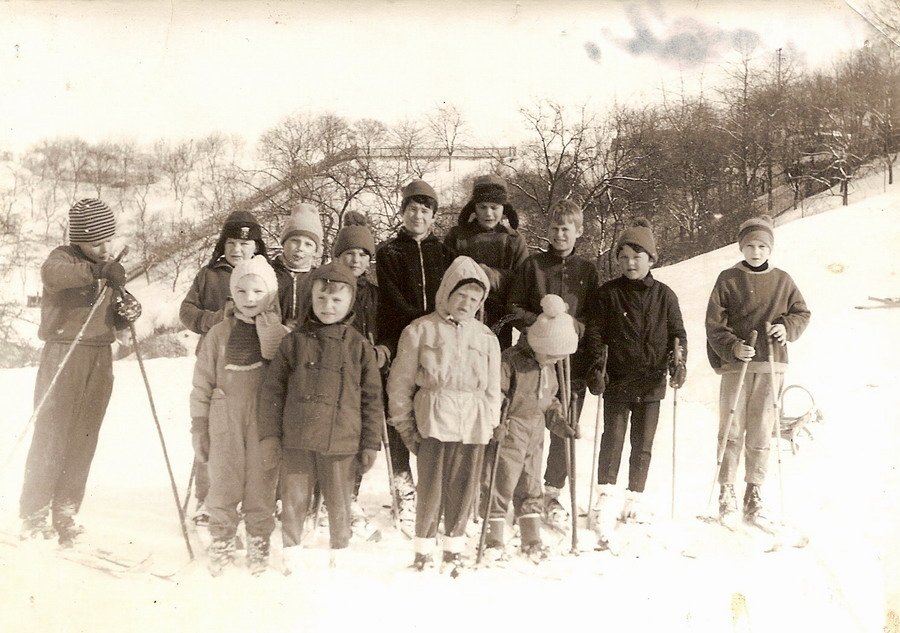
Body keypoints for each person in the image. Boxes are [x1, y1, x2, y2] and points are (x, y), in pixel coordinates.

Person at [19, 198, 141, 546]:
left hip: (100, 356)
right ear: (78, 241)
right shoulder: (64, 259)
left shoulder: (108, 266)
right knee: (52, 435)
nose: (104, 249)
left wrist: (126, 310)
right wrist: (100, 271)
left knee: (85, 436)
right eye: (95, 243)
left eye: (108, 241)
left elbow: (111, 312)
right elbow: (53, 276)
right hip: (63, 354)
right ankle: (34, 513)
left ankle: (66, 510)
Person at [258, 261, 383, 572]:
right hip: (297, 438)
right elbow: (272, 393)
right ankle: (292, 551)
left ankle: (338, 552)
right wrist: (270, 436)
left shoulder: (359, 347)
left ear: (350, 302)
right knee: (294, 497)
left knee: (339, 500)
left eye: (337, 300)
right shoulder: (293, 342)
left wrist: (370, 444)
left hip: (341, 440)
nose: (328, 306)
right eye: (321, 299)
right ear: (311, 300)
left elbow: (371, 400)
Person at [387, 256, 502, 575]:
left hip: (473, 424)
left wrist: (491, 421)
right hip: (433, 421)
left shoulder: (486, 338)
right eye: (461, 295)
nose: (467, 303)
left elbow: (493, 388)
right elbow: (399, 384)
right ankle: (422, 551)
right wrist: (405, 427)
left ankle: (453, 550)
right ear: (447, 292)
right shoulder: (420, 331)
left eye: (474, 298)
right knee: (431, 489)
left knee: (464, 487)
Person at [584, 219, 687, 549]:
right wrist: (597, 367)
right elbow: (596, 335)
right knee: (612, 438)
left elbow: (677, 335)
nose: (630, 263)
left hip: (652, 379)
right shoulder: (607, 294)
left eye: (638, 256)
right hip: (618, 379)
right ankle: (604, 498)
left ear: (652, 260)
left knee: (643, 443)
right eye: (625, 256)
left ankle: (634, 499)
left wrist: (678, 361)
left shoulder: (665, 295)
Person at [705, 214, 810, 528]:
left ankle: (754, 492)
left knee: (762, 428)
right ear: (741, 246)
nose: (756, 251)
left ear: (770, 248)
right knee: (732, 428)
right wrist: (734, 347)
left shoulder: (783, 280)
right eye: (750, 245)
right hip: (737, 367)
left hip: (771, 363)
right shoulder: (728, 278)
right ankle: (727, 491)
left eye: (762, 245)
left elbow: (801, 313)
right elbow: (714, 325)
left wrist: (785, 327)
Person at [189, 255, 288, 575]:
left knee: (262, 484)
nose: (249, 299)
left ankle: (259, 541)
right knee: (224, 483)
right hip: (224, 420)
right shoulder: (218, 334)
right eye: (242, 292)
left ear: (270, 294)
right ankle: (222, 540)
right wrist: (199, 425)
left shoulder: (280, 336)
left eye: (257, 292)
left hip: (264, 420)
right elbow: (201, 382)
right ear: (233, 292)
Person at [506, 199, 599, 529]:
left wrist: (575, 326)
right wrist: (541, 324)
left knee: (564, 424)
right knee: (528, 423)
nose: (560, 234)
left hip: (571, 359)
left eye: (567, 229)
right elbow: (514, 307)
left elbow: (592, 314)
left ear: (579, 232)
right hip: (535, 358)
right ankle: (522, 491)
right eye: (555, 228)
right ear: (547, 231)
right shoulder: (533, 266)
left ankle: (552, 491)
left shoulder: (586, 270)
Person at [180, 210, 267, 526]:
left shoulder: (264, 276)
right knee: (211, 434)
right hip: (214, 359)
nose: (237, 250)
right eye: (231, 243)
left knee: (248, 440)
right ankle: (207, 498)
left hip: (251, 365)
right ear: (223, 244)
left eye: (245, 244)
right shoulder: (209, 275)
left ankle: (250, 500)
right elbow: (186, 310)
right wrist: (212, 320)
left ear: (256, 246)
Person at [375, 179, 450, 533]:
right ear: (402, 212)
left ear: (433, 216)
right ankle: (403, 483)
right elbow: (391, 298)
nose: (418, 216)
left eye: (425, 210)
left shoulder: (443, 250)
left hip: (436, 341)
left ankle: (433, 484)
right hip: (401, 336)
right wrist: (419, 324)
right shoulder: (389, 251)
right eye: (412, 209)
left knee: (431, 408)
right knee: (399, 410)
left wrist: (435, 326)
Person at [481, 294, 576, 563]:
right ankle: (494, 537)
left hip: (535, 433)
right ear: (538, 343)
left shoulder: (547, 366)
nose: (555, 361)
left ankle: (531, 536)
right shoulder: (510, 361)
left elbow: (550, 401)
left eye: (560, 357)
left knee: (531, 483)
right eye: (553, 354)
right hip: (510, 430)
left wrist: (560, 422)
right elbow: (496, 395)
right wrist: (496, 422)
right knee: (500, 481)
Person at [330, 210, 385, 539]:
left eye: (362, 254)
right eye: (348, 253)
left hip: (365, 369)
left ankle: (350, 494)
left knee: (358, 429)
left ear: (369, 259)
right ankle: (326, 496)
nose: (354, 259)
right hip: (333, 368)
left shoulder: (374, 293)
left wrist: (385, 351)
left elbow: (388, 328)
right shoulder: (326, 284)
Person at [444, 174, 529, 349]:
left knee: (494, 361)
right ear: (474, 208)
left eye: (494, 207)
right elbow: (445, 276)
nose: (488, 213)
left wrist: (492, 276)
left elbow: (524, 281)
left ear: (504, 208)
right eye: (482, 207)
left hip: (500, 317)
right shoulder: (458, 237)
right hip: (462, 313)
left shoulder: (513, 240)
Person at [273, 202, 323, 329]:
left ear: (315, 250)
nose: (300, 248)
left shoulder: (319, 278)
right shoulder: (268, 272)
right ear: (284, 243)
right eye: (295, 241)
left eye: (308, 244)